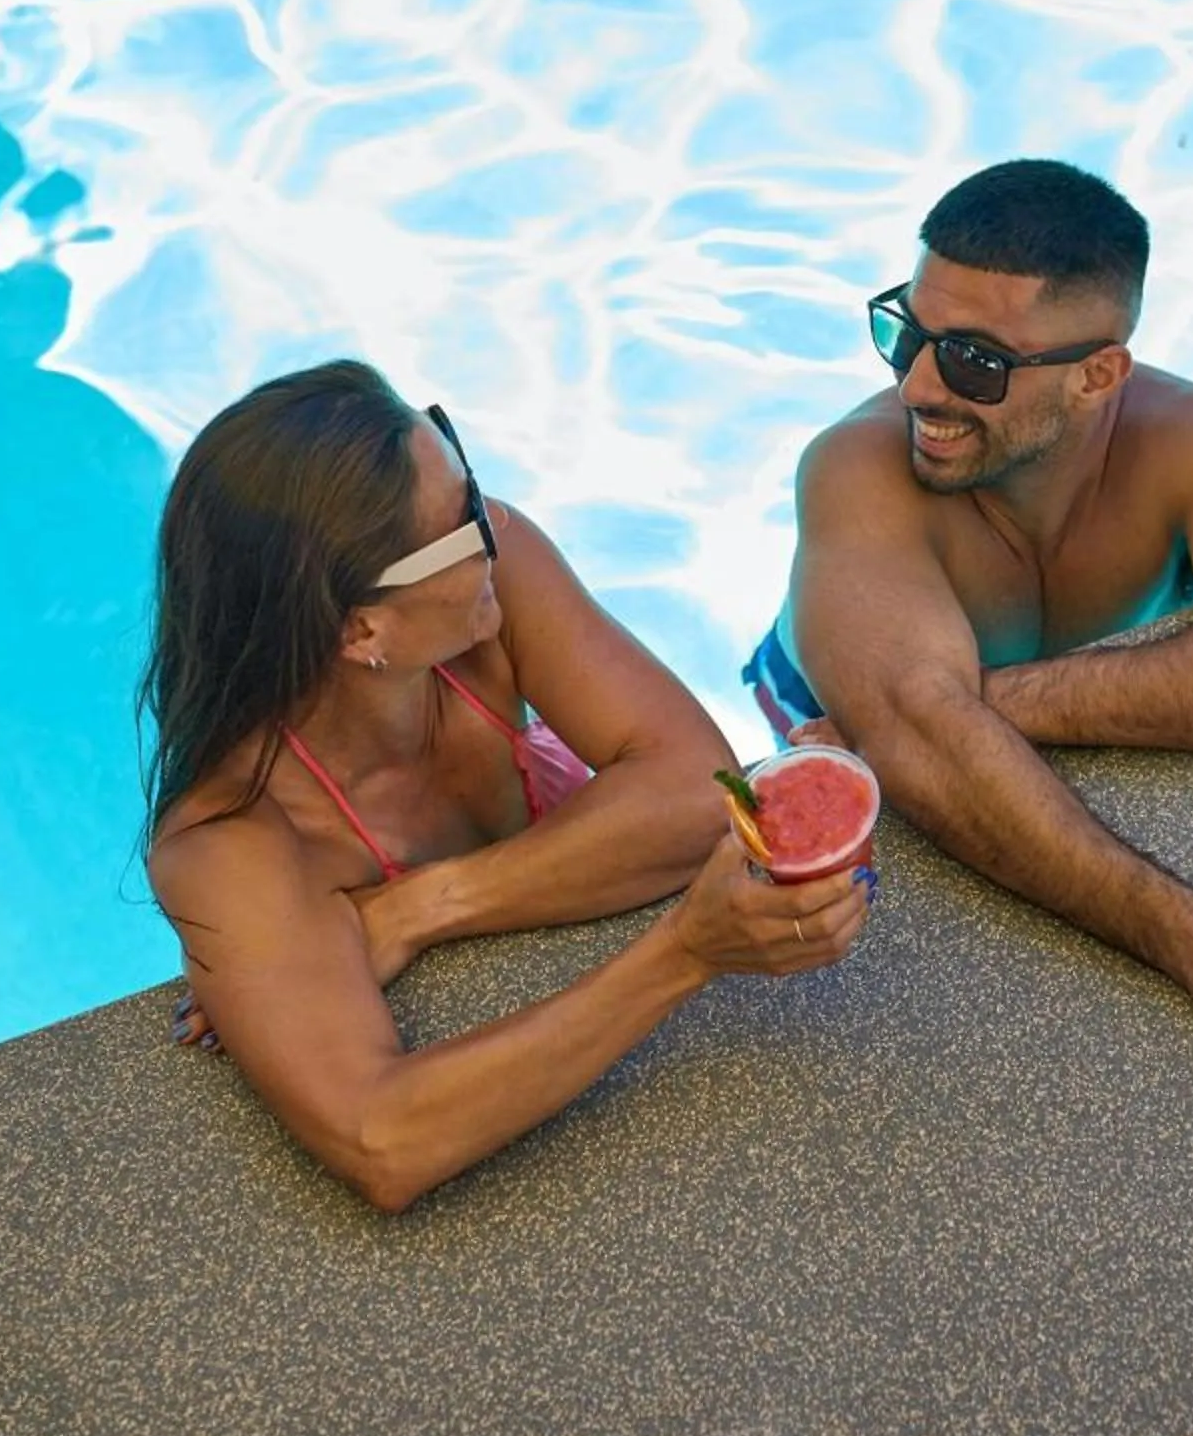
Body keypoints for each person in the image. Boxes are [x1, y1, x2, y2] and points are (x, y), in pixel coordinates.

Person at [147, 362, 866, 1209]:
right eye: (465, 524)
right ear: (361, 628)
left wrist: (421, 906)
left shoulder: (496, 576)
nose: (496, 527)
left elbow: (692, 796)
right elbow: (386, 1141)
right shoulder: (230, 839)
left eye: (471, 485)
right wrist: (686, 952)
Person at [746, 159, 1193, 1063]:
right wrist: (1190, 937)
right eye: (907, 333)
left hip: (923, 695)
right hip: (815, 683)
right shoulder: (857, 468)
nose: (919, 389)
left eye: (976, 362)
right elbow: (923, 742)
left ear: (1099, 376)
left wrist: (975, 705)